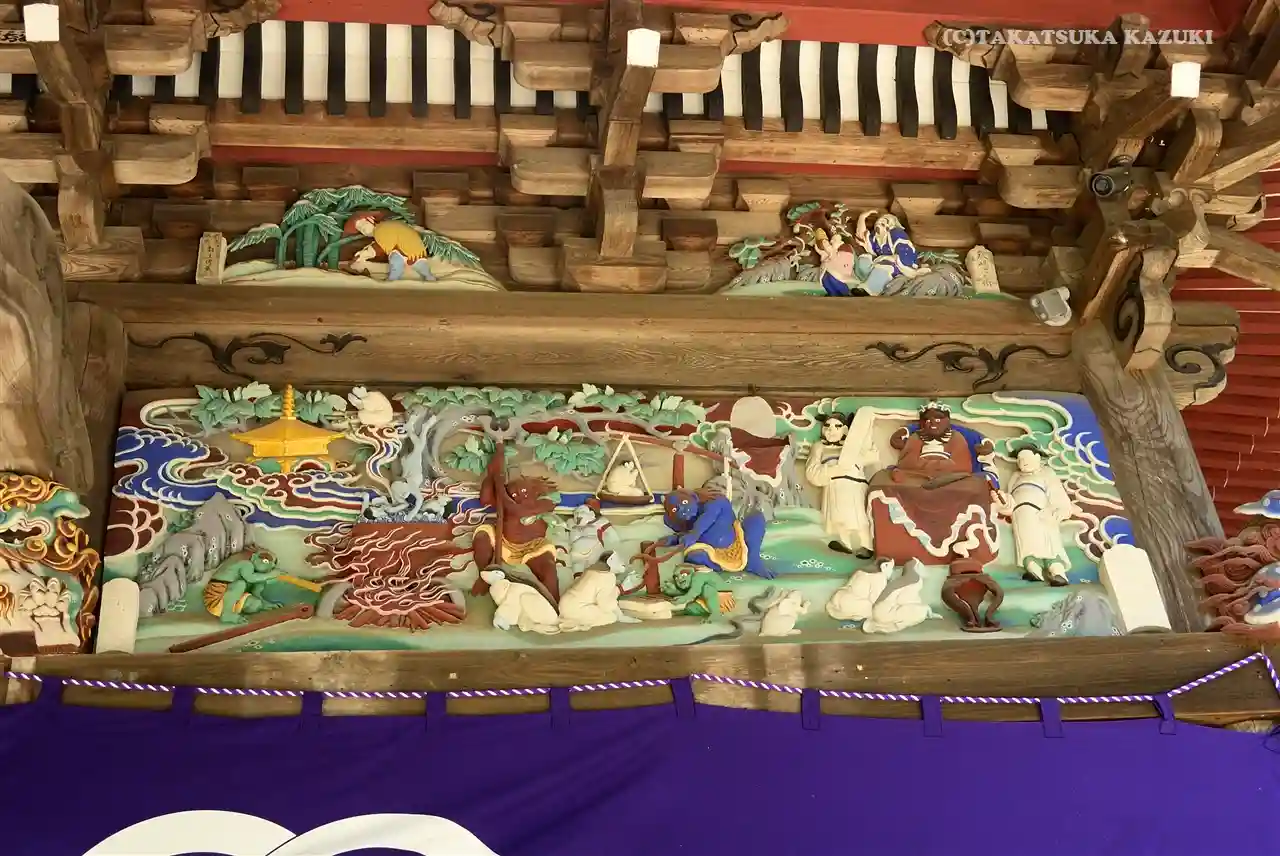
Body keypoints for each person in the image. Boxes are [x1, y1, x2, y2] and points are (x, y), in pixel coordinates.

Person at [999, 444, 1078, 586]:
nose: (1023, 462)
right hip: (1020, 514)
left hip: (1041, 512)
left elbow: (1056, 492)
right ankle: (1033, 569)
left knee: (1048, 543)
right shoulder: (1015, 477)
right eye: (1020, 460)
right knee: (1026, 543)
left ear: (1037, 458)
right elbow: (1010, 495)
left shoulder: (1046, 472)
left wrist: (1058, 509)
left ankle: (1057, 572)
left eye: (1026, 458)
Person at [804, 412, 874, 558]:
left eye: (837, 426)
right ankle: (844, 542)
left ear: (845, 429)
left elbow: (871, 456)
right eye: (827, 426)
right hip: (834, 483)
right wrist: (831, 470)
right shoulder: (819, 447)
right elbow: (811, 471)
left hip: (854, 483)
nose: (832, 430)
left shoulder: (853, 446)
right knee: (838, 517)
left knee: (859, 517)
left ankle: (867, 545)